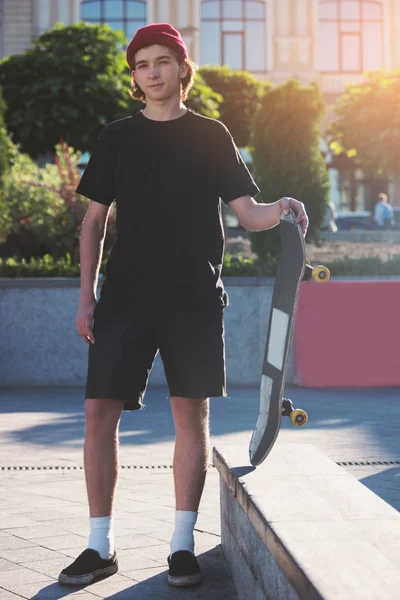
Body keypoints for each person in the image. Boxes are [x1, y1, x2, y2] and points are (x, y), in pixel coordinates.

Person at [58, 23, 309, 588]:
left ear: (181, 69)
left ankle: (181, 545)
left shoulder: (211, 135)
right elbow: (94, 222)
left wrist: (283, 208)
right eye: (141, 64)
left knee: (189, 416)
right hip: (124, 297)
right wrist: (86, 298)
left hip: (193, 297)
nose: (151, 71)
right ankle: (99, 546)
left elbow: (247, 210)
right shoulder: (117, 137)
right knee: (99, 412)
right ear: (134, 78)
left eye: (161, 61)